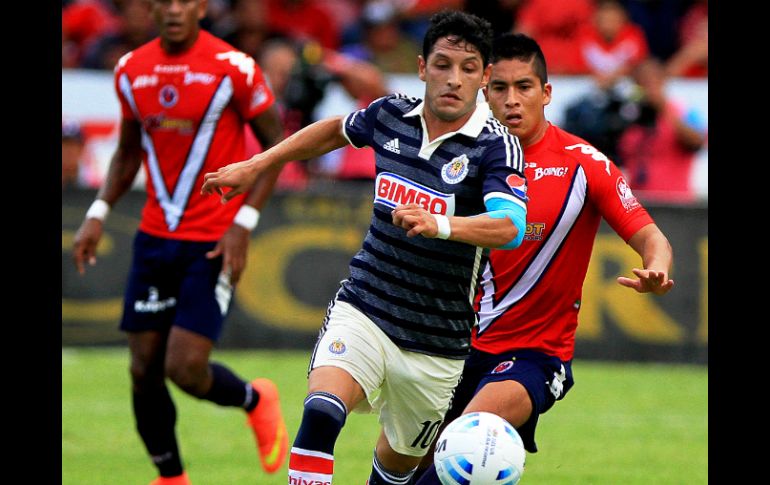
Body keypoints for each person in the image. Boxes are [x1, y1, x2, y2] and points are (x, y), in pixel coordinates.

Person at [200, 10, 529, 485]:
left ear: (484, 76)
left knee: (396, 468)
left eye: (468, 67)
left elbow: (509, 226)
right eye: (442, 65)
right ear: (422, 68)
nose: (453, 79)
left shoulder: (496, 147)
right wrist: (257, 164)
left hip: (436, 342)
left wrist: (439, 222)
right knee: (321, 413)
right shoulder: (390, 114)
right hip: (366, 307)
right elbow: (335, 130)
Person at [412, 32, 675, 484]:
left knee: (464, 448)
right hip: (454, 347)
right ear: (485, 90)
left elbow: (652, 236)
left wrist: (657, 269)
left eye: (525, 87)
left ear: (546, 93)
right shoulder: (466, 156)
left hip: (534, 356)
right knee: (397, 472)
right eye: (500, 88)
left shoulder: (583, 163)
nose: (512, 100)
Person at [71, 1, 289, 484]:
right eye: (163, 1)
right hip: (154, 239)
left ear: (202, 7)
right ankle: (171, 477)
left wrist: (244, 221)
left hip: (212, 240)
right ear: (149, 8)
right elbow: (129, 151)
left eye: (185, 0)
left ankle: (256, 399)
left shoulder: (234, 67)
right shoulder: (131, 69)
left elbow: (275, 150)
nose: (174, 10)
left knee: (184, 368)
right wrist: (98, 212)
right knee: (143, 368)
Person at [617, 57, 707, 203]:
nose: (648, 88)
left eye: (652, 81)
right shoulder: (629, 116)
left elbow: (697, 142)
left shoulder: (685, 111)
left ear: (663, 81)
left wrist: (664, 109)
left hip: (675, 202)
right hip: (637, 204)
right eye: (642, 83)